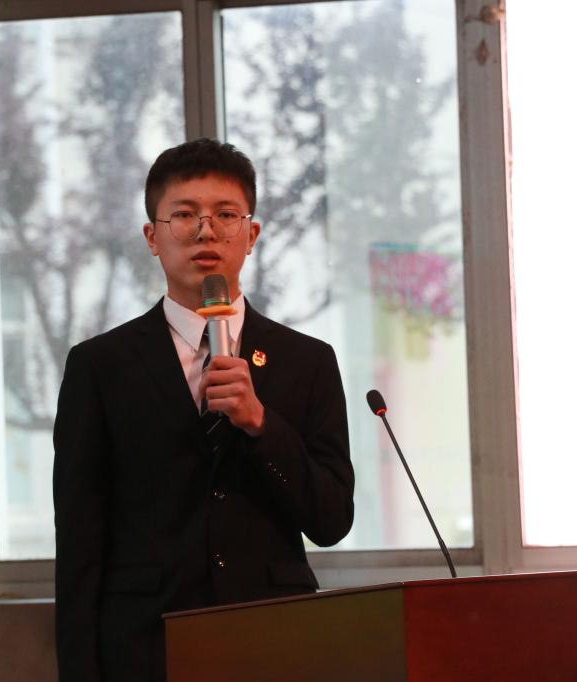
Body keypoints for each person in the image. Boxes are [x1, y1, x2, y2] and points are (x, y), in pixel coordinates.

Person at [53, 138, 354, 682]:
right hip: (146, 645)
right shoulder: (100, 366)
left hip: (274, 640)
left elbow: (332, 519)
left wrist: (262, 424)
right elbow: (79, 539)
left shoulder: (307, 361)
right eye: (185, 215)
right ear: (153, 237)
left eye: (225, 215)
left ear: (251, 235)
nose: (205, 231)